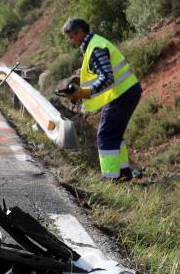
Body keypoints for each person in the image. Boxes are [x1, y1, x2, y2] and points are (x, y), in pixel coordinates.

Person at [61, 17, 143, 181]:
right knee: (114, 134)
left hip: (122, 94)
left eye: (71, 37)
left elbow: (107, 78)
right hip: (124, 93)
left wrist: (82, 93)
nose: (71, 41)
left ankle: (112, 178)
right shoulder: (93, 45)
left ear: (80, 33)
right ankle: (123, 173)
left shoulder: (95, 48)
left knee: (105, 135)